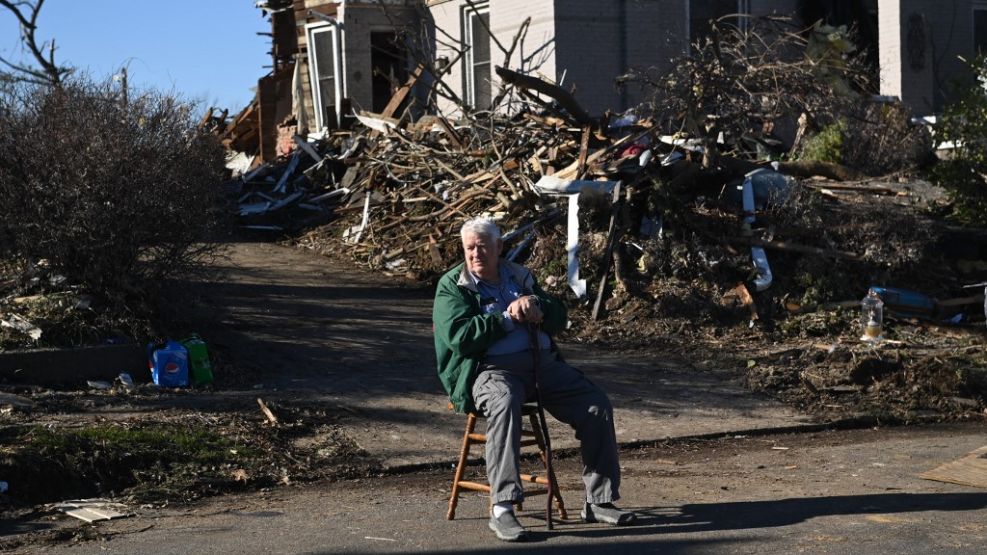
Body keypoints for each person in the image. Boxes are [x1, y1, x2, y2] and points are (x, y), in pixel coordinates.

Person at [433, 217, 635, 542]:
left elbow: (559, 317)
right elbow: (459, 336)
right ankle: (503, 508)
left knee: (595, 404)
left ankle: (599, 501)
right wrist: (506, 318)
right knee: (505, 401)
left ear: (499, 248)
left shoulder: (519, 276)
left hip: (544, 367)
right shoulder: (453, 285)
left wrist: (538, 305)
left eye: (482, 247)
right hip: (490, 372)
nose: (475, 254)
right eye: (469, 248)